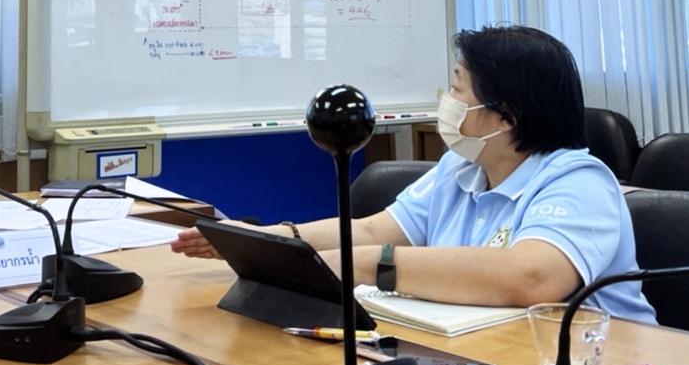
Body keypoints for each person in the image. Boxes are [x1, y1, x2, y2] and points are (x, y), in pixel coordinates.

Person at [171, 24, 656, 321]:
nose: (447, 99)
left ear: (505, 116)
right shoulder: (463, 166)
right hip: (488, 350)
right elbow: (372, 230)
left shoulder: (578, 181)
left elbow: (530, 278)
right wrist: (269, 241)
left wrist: (373, 266)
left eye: (457, 88)